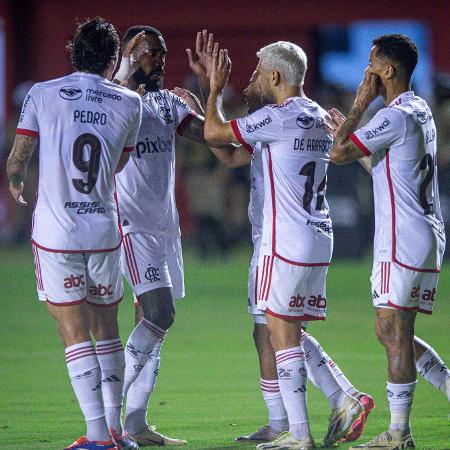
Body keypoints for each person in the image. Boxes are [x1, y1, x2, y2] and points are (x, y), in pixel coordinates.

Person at [182, 31, 375, 446]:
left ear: (274, 77)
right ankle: (337, 398)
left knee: (280, 333)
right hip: (314, 236)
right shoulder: (316, 116)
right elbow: (233, 155)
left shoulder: (276, 117)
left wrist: (212, 90)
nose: (250, 79)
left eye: (255, 73)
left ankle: (298, 432)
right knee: (276, 328)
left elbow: (215, 135)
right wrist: (207, 105)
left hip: (281, 238)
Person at [6, 17, 142, 450]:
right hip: (102, 227)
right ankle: (117, 430)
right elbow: (117, 164)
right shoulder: (129, 102)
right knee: (107, 328)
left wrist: (15, 179)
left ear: (73, 53)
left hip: (57, 232)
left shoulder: (42, 94)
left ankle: (98, 436)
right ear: (113, 58)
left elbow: (19, 155)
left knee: (72, 329)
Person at [112, 25, 235, 447]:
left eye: (163, 51)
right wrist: (124, 69)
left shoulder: (168, 104)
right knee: (160, 314)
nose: (160, 58)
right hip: (129, 224)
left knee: (153, 327)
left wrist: (210, 91)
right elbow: (109, 101)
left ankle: (136, 424)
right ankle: (104, 417)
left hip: (163, 227)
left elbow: (215, 140)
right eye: (150, 51)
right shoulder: (113, 99)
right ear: (128, 54)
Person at [326, 34, 448, 449]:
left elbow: (338, 152)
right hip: (422, 234)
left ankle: (398, 434)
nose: (367, 74)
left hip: (402, 240)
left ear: (388, 71)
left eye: (372, 66)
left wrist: (359, 104)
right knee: (391, 331)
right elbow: (378, 165)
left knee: (395, 333)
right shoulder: (418, 109)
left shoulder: (392, 115)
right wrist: (346, 127)